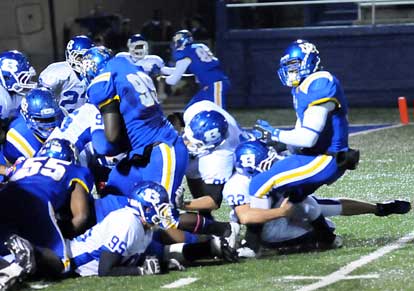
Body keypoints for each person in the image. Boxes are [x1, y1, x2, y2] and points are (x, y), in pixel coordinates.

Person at [252, 39, 362, 247]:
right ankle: (324, 235)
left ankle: (251, 243)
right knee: (294, 196)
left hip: (325, 159)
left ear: (309, 62)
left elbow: (307, 137)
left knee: (259, 183)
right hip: (316, 156)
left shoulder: (320, 82)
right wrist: (279, 146)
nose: (290, 71)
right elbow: (299, 133)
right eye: (287, 67)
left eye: (293, 66)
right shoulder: (304, 86)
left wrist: (275, 134)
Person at [226, 140, 411, 257]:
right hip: (267, 226)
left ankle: (379, 209)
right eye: (266, 162)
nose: (272, 164)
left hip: (279, 209)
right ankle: (255, 246)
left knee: (311, 205)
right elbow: (247, 217)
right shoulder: (238, 184)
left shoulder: (267, 174)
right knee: (319, 219)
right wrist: (281, 212)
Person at [0, 181, 175, 289]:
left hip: (75, 260)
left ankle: (21, 260)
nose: (165, 212)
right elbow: (105, 270)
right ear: (145, 207)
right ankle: (27, 253)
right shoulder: (129, 223)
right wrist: (141, 271)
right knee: (31, 270)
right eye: (161, 208)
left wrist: (163, 264)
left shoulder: (144, 227)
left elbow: (126, 259)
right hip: (71, 259)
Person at [82, 46, 188, 217]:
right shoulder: (126, 66)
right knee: (110, 201)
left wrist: (94, 134)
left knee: (161, 217)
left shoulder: (102, 83)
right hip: (139, 153)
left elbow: (111, 143)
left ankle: (221, 233)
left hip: (161, 150)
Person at [0, 138, 93, 288]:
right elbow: (81, 216)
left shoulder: (24, 163)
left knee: (4, 250)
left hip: (5, 195)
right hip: (37, 200)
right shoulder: (75, 169)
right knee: (61, 264)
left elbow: (5, 171)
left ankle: (11, 270)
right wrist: (64, 232)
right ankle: (31, 251)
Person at [163, 30, 231, 109]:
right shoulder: (200, 47)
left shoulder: (185, 54)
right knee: (191, 110)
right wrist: (162, 70)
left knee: (219, 113)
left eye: (177, 38)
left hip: (215, 84)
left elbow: (173, 80)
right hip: (209, 85)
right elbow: (179, 70)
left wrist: (162, 79)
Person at [3, 87, 64, 164]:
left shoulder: (63, 118)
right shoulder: (19, 134)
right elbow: (10, 167)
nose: (49, 126)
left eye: (51, 118)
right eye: (41, 120)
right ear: (26, 116)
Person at [39, 35, 94, 113]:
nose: (84, 61)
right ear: (70, 55)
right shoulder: (58, 72)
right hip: (62, 119)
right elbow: (42, 98)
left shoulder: (95, 72)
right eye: (80, 57)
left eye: (87, 57)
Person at [0, 50, 37, 148]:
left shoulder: (14, 94)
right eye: (23, 78)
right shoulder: (2, 98)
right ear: (7, 77)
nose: (27, 82)